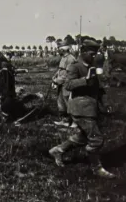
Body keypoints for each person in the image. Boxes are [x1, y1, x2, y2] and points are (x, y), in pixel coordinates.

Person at [48, 40, 116, 179]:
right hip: (80, 108)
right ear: (83, 52)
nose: (94, 56)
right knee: (96, 139)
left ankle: (58, 150)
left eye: (95, 53)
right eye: (91, 54)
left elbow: (98, 87)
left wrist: (104, 103)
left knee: (82, 136)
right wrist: (85, 80)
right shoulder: (75, 67)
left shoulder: (92, 66)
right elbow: (68, 85)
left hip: (91, 106)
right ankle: (97, 168)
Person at [52, 41, 78, 127]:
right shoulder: (63, 57)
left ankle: (75, 122)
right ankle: (65, 121)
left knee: (69, 103)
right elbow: (61, 69)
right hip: (61, 84)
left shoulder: (70, 59)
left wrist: (58, 80)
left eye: (59, 49)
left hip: (67, 84)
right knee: (61, 103)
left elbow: (69, 74)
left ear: (64, 49)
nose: (58, 50)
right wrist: (55, 76)